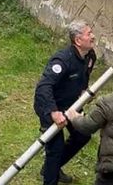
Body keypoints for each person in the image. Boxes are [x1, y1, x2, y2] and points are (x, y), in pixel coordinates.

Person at [34, 21, 97, 185]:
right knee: (55, 148)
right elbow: (44, 86)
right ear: (78, 40)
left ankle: (51, 168)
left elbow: (84, 77)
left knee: (82, 135)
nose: (93, 36)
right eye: (89, 34)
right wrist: (53, 112)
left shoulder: (90, 56)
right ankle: (51, 177)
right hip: (50, 106)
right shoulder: (62, 60)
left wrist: (84, 91)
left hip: (71, 107)